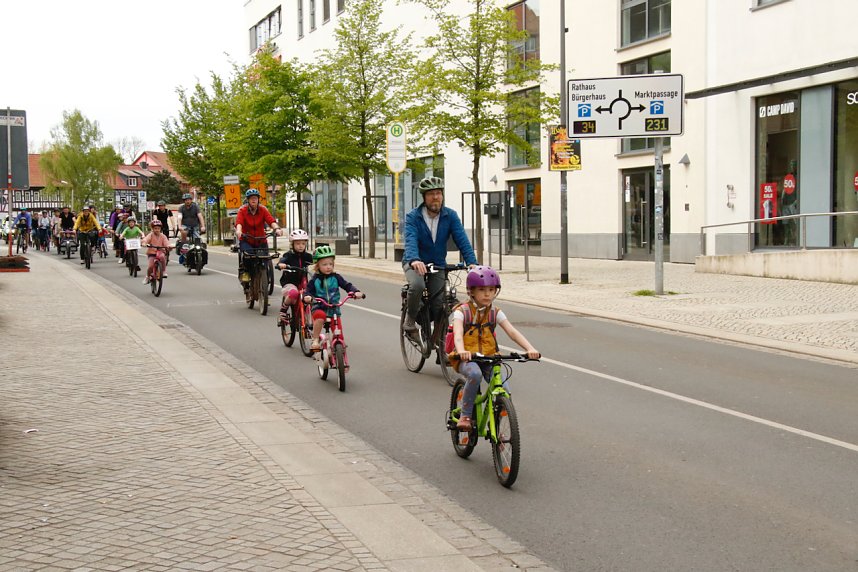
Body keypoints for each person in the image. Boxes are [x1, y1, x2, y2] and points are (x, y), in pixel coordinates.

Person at [449, 266, 540, 431]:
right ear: (471, 292)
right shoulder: (462, 312)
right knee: (475, 374)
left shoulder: (495, 312)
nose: (487, 294)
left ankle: (499, 417)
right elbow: (457, 333)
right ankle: (465, 415)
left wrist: (530, 348)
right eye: (482, 290)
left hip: (490, 356)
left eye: (491, 290)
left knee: (503, 387)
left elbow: (512, 331)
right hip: (467, 357)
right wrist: (462, 350)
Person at [402, 176, 478, 338]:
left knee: (440, 304)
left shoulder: (450, 216)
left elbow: (462, 239)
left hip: (437, 263)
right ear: (424, 197)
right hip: (415, 261)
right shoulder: (413, 216)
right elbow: (410, 239)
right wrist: (415, 259)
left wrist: (472, 263)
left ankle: (440, 344)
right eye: (431, 194)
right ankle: (410, 319)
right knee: (417, 285)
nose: (435, 197)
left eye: (438, 193)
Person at [303, 245, 364, 352]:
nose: (328, 267)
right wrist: (307, 297)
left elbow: (347, 285)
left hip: (334, 308)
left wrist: (355, 292)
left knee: (339, 335)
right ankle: (315, 339)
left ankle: (341, 360)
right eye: (325, 264)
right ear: (317, 266)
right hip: (319, 306)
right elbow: (307, 291)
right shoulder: (315, 280)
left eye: (331, 264)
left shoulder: (336, 277)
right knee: (320, 317)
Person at [235, 188, 281, 287]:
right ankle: (246, 273)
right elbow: (239, 223)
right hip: (247, 239)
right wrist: (239, 231)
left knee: (265, 258)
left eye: (255, 198)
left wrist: (277, 229)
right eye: (251, 198)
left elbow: (270, 221)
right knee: (248, 257)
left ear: (258, 199)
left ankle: (264, 274)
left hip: (260, 239)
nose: (253, 200)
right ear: (248, 200)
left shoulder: (263, 210)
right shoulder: (242, 210)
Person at [276, 229, 313, 325]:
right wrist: (281, 264)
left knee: (311, 296)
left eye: (303, 244)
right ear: (292, 244)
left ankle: (308, 321)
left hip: (303, 282)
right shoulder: (289, 255)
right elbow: (282, 260)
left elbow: (316, 262)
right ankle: (283, 311)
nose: (301, 246)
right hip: (290, 282)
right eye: (298, 244)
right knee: (293, 293)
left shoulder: (308, 256)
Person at [141, 219, 172, 284]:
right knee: (150, 266)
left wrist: (169, 246)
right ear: (152, 228)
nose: (157, 230)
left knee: (163, 257)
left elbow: (166, 243)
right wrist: (144, 243)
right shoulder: (151, 235)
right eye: (155, 228)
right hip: (152, 253)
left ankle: (163, 271)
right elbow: (146, 239)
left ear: (160, 229)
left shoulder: (163, 236)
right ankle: (147, 276)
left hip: (160, 252)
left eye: (158, 228)